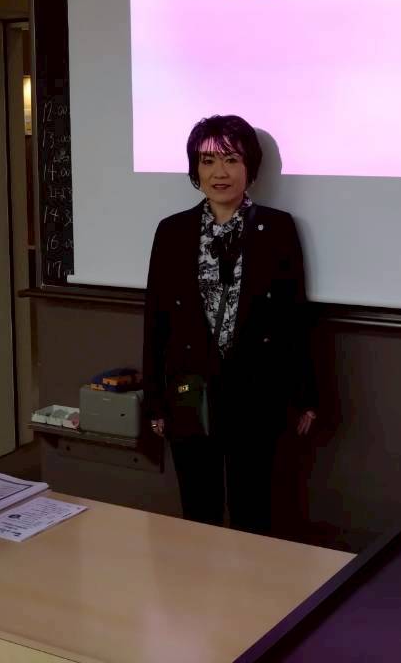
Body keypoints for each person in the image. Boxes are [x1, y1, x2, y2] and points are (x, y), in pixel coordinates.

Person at [143, 114, 316, 535]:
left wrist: (306, 395)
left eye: (231, 159)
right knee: (197, 508)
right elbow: (156, 321)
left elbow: (294, 318)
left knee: (254, 510)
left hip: (257, 389)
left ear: (249, 168)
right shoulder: (172, 231)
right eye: (208, 161)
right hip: (191, 391)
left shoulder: (277, 228)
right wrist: (155, 401)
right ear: (195, 169)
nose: (219, 172)